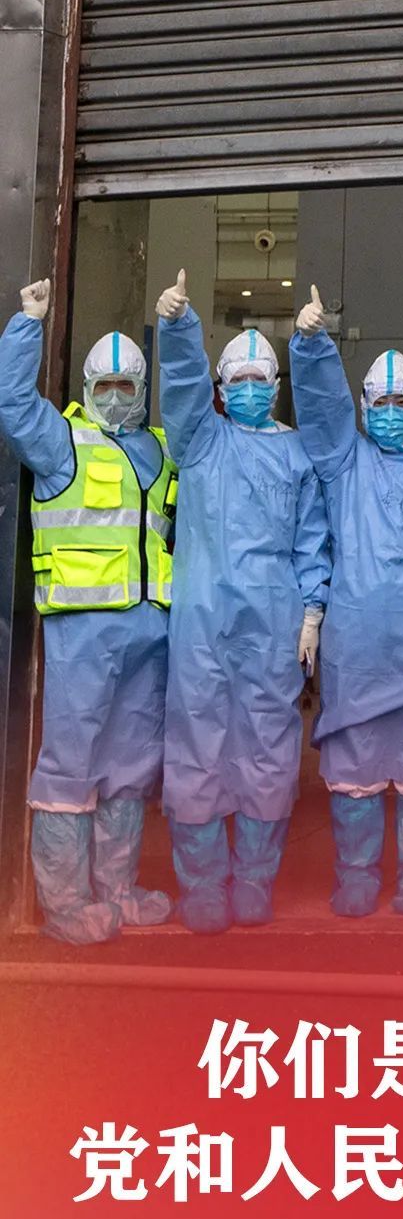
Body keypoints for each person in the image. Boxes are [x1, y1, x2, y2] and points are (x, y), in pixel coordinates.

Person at [289, 286, 403, 917]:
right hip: (359, 643)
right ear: (364, 404)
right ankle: (357, 873)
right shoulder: (345, 460)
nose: (390, 411)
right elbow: (322, 407)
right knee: (355, 762)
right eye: (379, 401)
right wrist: (312, 345)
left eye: (401, 401)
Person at [0, 280, 175, 944]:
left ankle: (118, 891)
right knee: (72, 762)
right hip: (82, 630)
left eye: (126, 386)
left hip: (149, 630)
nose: (115, 396)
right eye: (104, 385)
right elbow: (13, 403)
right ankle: (67, 904)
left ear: (142, 389)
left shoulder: (159, 450)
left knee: (131, 766)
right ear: (87, 385)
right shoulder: (61, 441)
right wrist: (29, 323)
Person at [154, 271, 330, 933]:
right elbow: (180, 387)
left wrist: (312, 611)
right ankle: (202, 885)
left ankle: (254, 879)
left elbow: (312, 539)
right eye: (240, 379)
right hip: (202, 619)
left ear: (277, 386)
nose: (252, 387)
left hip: (274, 621)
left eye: (262, 378)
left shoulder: (297, 454)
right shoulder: (200, 440)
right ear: (221, 388)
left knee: (270, 745)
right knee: (197, 741)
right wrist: (178, 329)